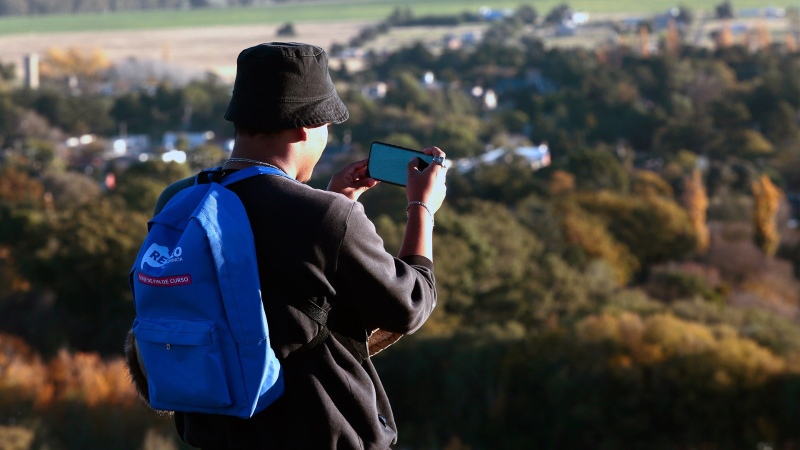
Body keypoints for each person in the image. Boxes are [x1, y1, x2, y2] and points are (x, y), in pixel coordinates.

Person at [128, 42, 447, 449]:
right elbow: (410, 305)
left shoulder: (178, 200)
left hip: (215, 435)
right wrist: (422, 207)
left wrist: (338, 202)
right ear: (304, 127)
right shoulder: (325, 218)